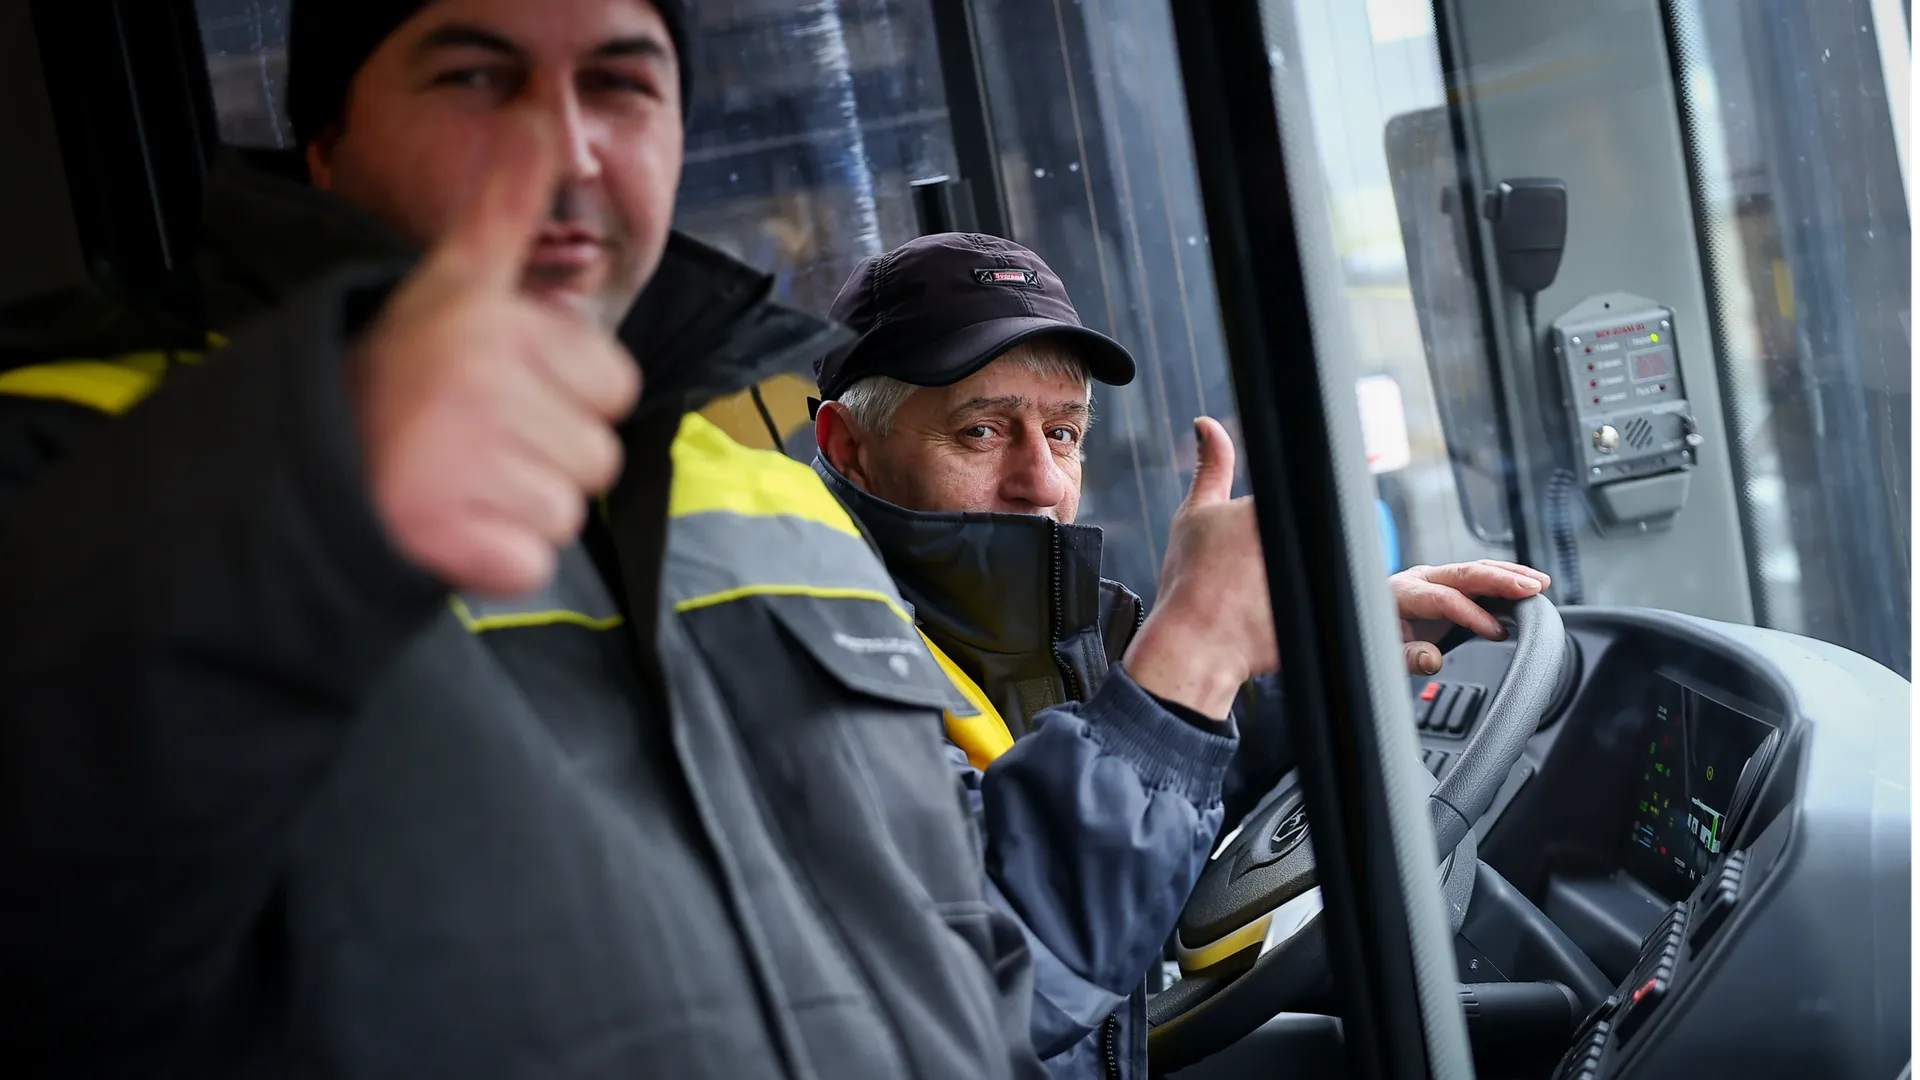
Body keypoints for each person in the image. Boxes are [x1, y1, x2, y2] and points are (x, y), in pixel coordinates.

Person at [0, 5, 1052, 1077]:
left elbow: (961, 963)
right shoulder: (85, 452)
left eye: (620, 84)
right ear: (326, 140)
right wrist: (306, 497)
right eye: (473, 76)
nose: (568, 146)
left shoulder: (777, 497)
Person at [808, 232, 1553, 1080]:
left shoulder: (1024, 627)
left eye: (1063, 432)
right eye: (981, 431)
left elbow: (1172, 771)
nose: (1042, 480)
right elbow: (1002, 977)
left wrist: (1315, 654)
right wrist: (1195, 645)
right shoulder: (813, 654)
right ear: (849, 447)